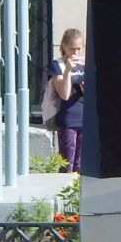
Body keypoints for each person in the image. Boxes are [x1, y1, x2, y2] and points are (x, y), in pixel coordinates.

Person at [48, 28, 86, 171]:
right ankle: (64, 191)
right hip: (68, 120)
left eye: (79, 49)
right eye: (72, 49)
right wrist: (68, 70)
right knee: (67, 163)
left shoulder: (84, 64)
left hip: (85, 118)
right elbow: (64, 94)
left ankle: (79, 192)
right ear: (63, 47)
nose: (75, 53)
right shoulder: (57, 65)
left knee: (82, 165)